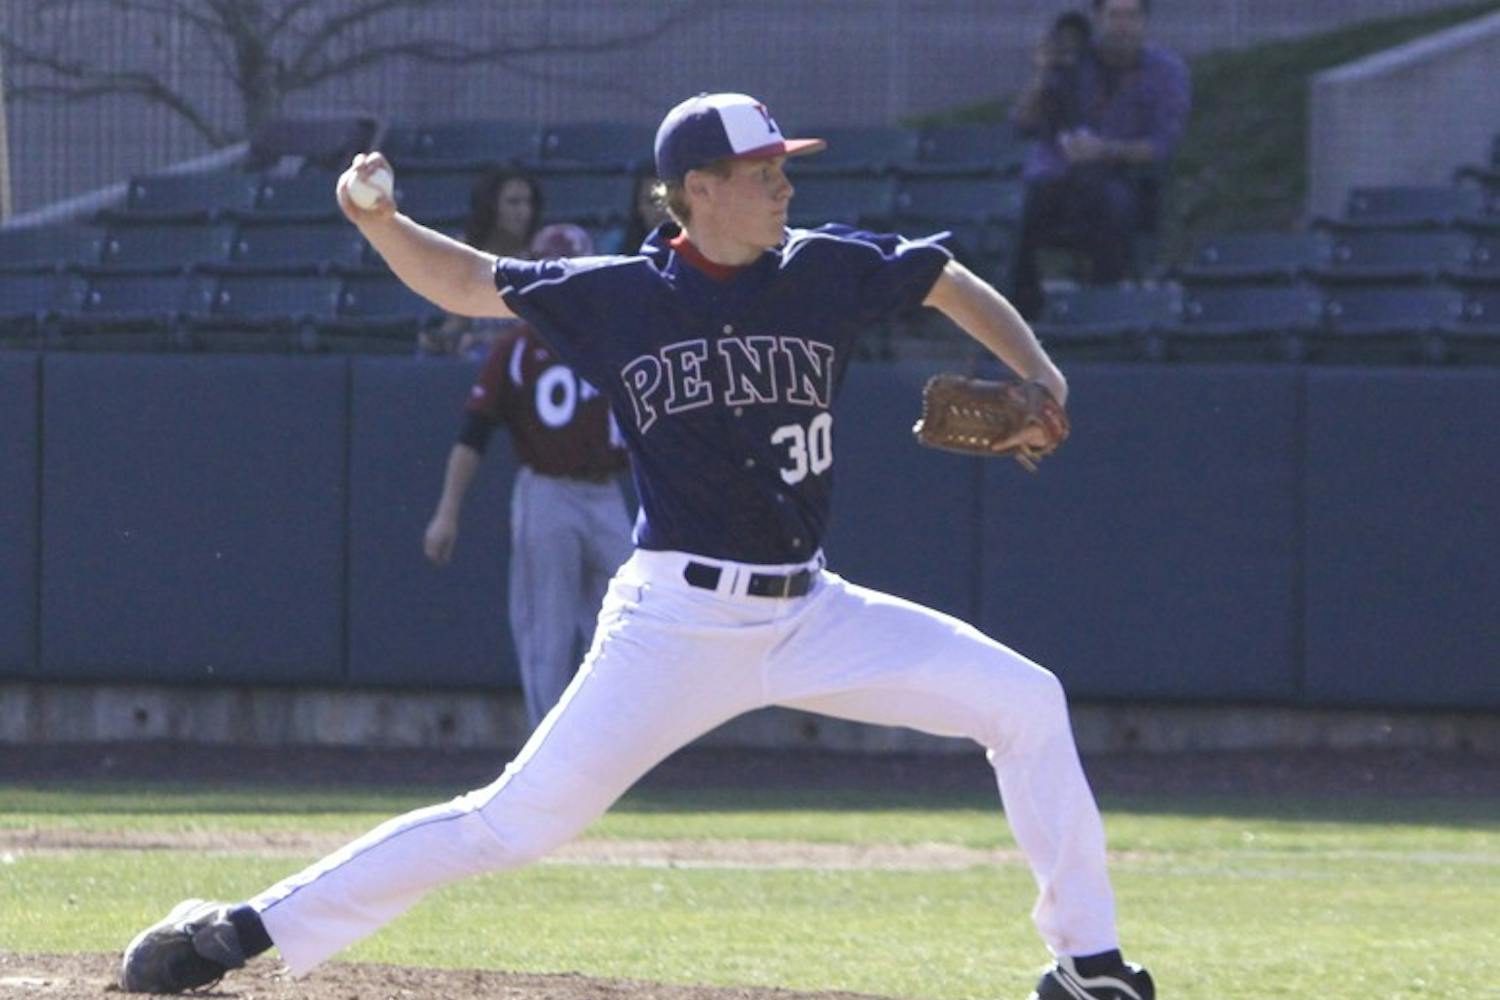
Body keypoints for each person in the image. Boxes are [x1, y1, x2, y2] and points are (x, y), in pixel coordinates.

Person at [119, 92, 1155, 1000]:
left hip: (811, 611)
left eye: (783, 167)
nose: (782, 184)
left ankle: (1088, 964)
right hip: (676, 622)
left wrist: (1042, 377)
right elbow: (468, 283)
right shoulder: (617, 294)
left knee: (1026, 701)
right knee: (508, 827)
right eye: (762, 171)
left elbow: (944, 278)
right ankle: (239, 928)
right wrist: (379, 219)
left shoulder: (828, 268)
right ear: (698, 189)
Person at [423, 221, 633, 730]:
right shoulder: (517, 348)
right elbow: (474, 434)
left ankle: (611, 739)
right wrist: (446, 512)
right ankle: (549, 748)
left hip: (608, 492)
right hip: (548, 490)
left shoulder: (621, 340)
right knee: (547, 628)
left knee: (632, 618)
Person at [1008, 0, 1191, 320]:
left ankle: (1104, 310)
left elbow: (1162, 145)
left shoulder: (1166, 71)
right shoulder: (1076, 63)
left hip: (1125, 179)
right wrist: (1043, 73)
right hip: (1061, 178)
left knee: (1108, 203)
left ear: (1144, 22)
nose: (1122, 25)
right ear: (1099, 20)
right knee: (1019, 210)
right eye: (1114, 16)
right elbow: (1021, 123)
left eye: (1130, 16)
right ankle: (1022, 314)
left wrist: (1105, 150)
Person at [418, 167, 543, 357]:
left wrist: (493, 338)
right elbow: (458, 322)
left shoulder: (541, 252)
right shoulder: (466, 253)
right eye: (513, 202)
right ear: (490, 206)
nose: (524, 211)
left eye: (528, 202)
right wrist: (442, 339)